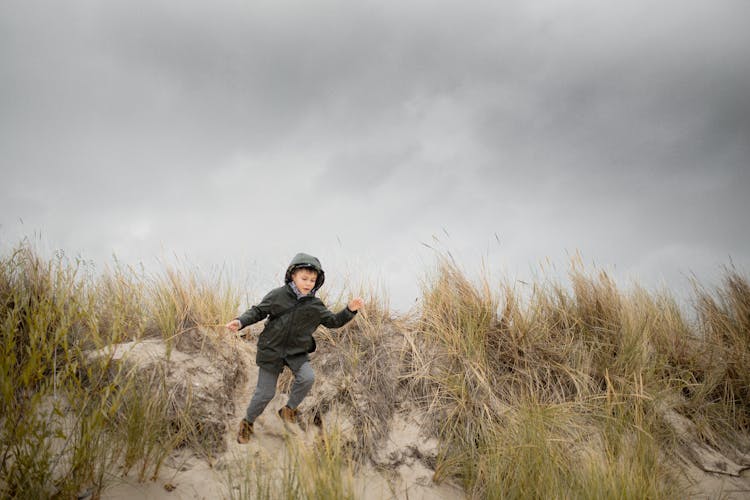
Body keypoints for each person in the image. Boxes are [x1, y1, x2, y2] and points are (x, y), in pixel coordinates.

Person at [225, 252, 364, 443]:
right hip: (271, 350)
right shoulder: (278, 295)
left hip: (296, 351)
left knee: (308, 378)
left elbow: (333, 321)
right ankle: (247, 422)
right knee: (265, 394)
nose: (308, 283)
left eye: (312, 280)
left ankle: (288, 410)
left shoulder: (315, 305)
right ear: (293, 276)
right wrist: (240, 322)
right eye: (304, 278)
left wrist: (349, 310)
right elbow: (258, 311)